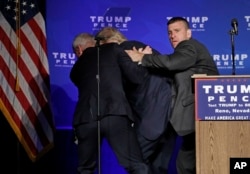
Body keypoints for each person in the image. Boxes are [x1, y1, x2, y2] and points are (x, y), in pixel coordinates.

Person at [125, 17, 220, 174]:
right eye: (169, 33)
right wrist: (148, 59)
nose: (172, 36)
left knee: (190, 164)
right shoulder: (184, 53)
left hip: (200, 115)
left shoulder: (189, 46)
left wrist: (142, 58)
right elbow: (170, 68)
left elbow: (171, 63)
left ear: (188, 33)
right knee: (185, 165)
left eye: (177, 31)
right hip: (197, 118)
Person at [96, 27, 175, 174]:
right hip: (170, 115)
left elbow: (133, 79)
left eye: (100, 48)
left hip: (152, 115)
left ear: (106, 42)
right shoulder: (139, 47)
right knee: (158, 166)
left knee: (137, 162)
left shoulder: (121, 51)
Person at [70, 33, 150, 174]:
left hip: (86, 120)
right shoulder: (113, 49)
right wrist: (140, 60)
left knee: (85, 169)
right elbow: (136, 78)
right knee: (136, 166)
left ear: (79, 50)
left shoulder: (75, 69)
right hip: (116, 114)